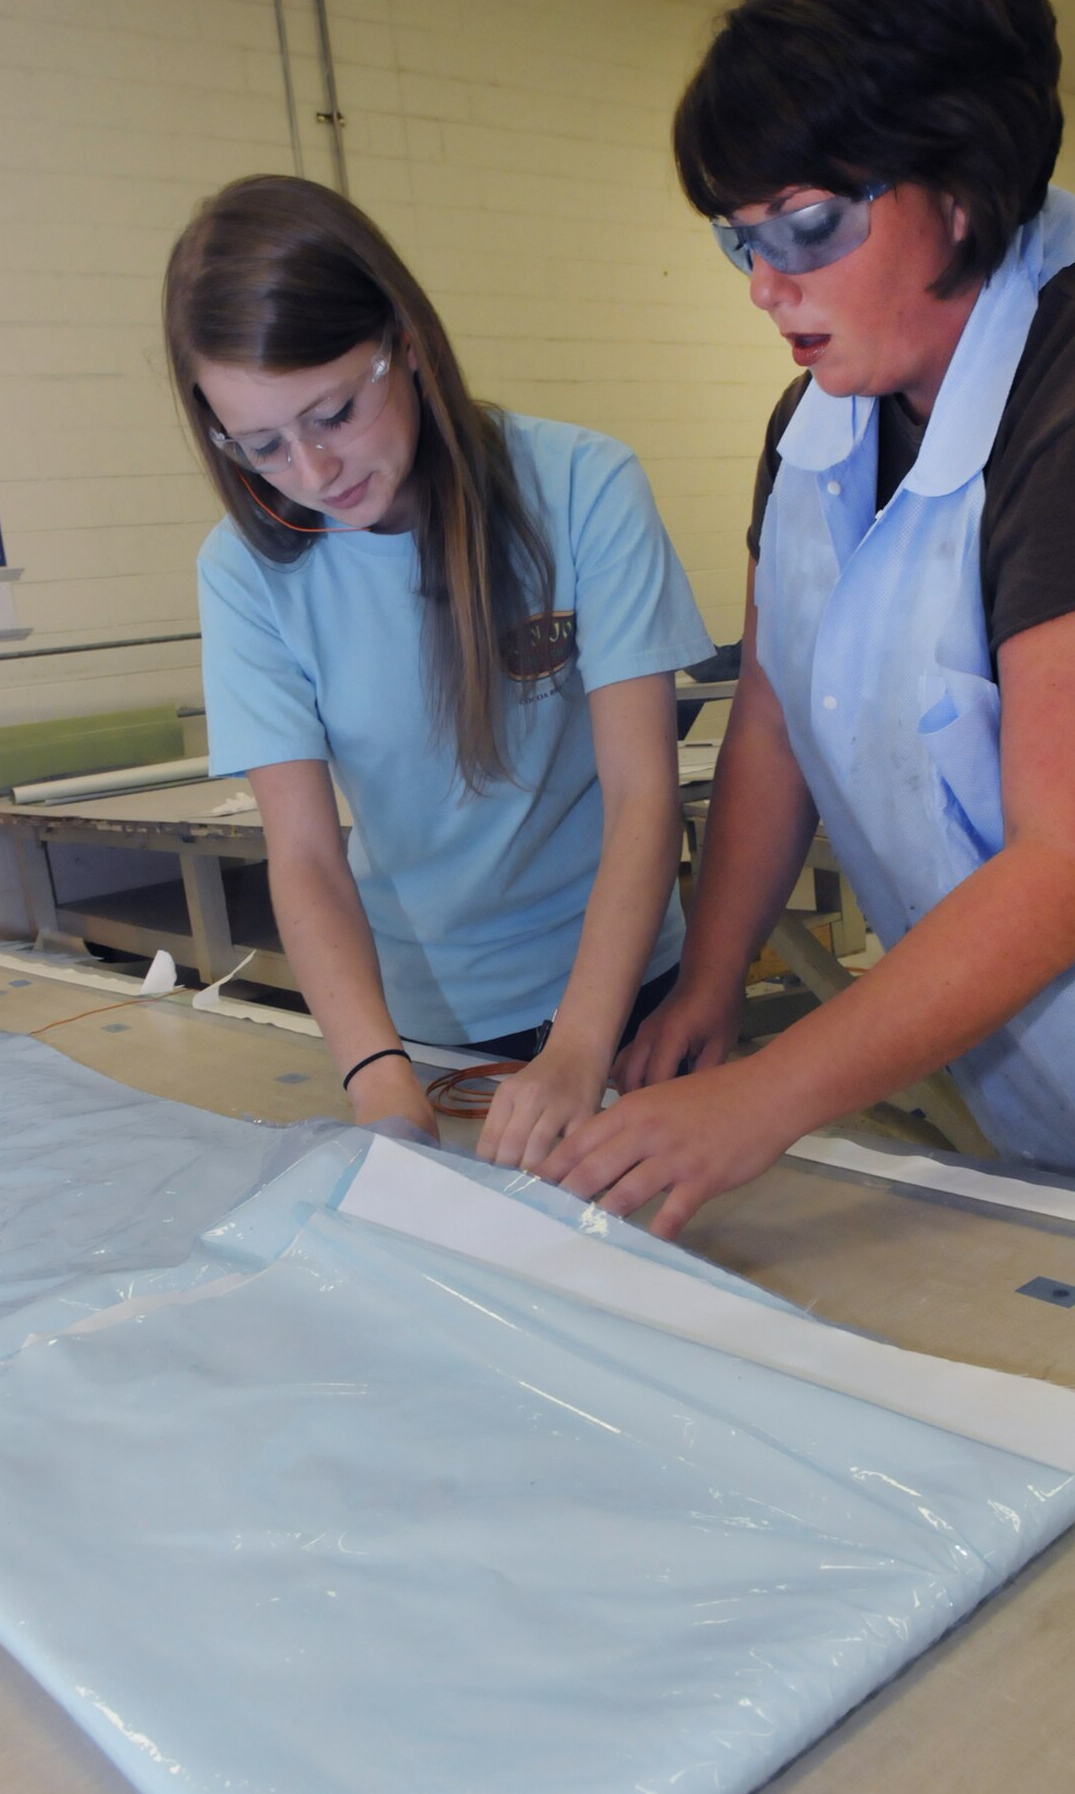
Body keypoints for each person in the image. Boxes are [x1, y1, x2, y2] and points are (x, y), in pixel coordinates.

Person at [544, 0, 1075, 1235]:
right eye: (738, 238)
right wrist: (712, 979)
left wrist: (763, 1097)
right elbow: (774, 715)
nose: (766, 287)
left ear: (965, 181)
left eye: (808, 227)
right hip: (1059, 1103)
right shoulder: (817, 423)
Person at [164, 175, 711, 1163]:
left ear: (404, 344)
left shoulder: (582, 487)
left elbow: (641, 793)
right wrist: (377, 1077)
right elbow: (304, 854)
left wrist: (582, 1044)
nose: (313, 471)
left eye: (332, 412)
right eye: (260, 446)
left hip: (624, 995)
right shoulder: (243, 572)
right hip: (421, 1024)